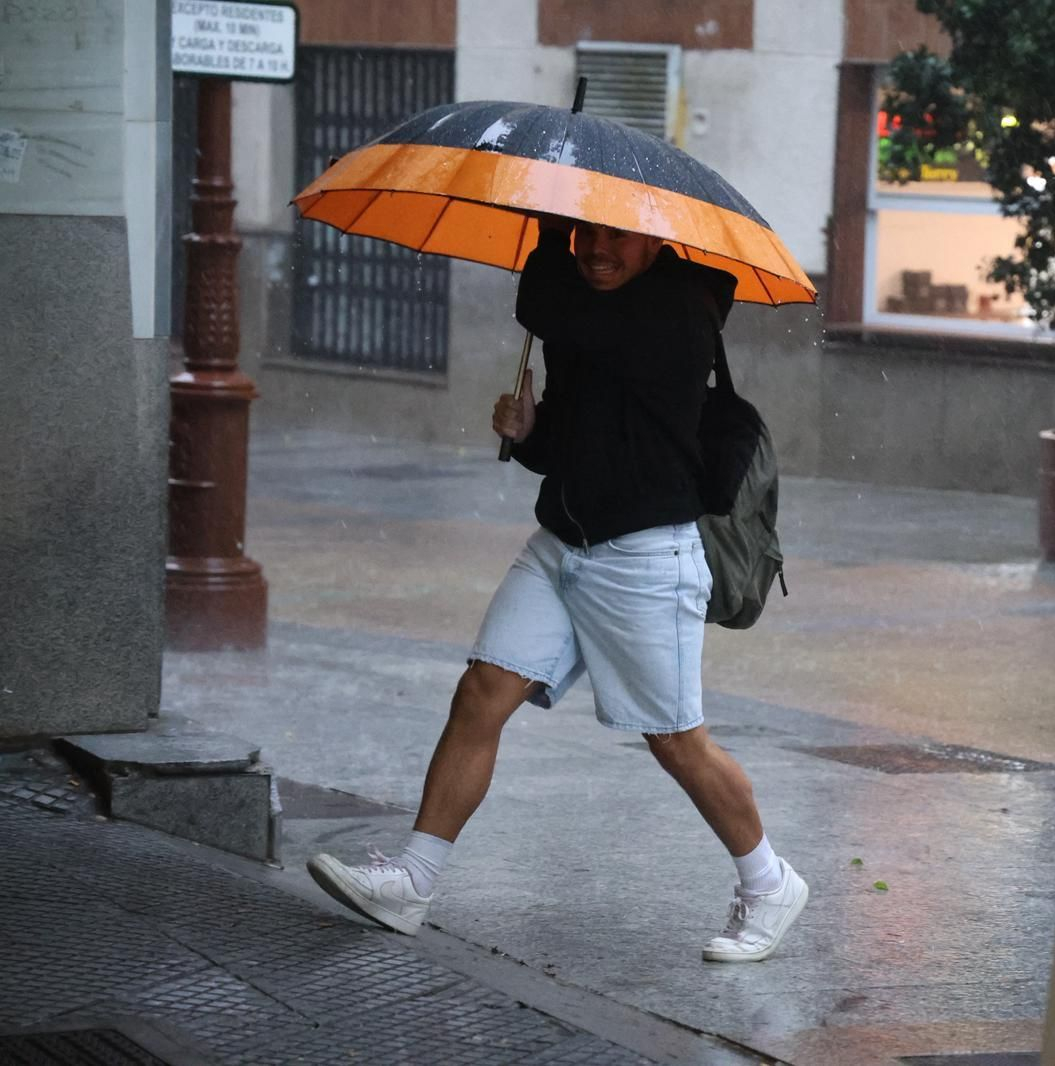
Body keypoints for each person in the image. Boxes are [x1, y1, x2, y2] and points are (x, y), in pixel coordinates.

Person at [307, 214, 808, 963]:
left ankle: (770, 884)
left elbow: (548, 308)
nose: (596, 251)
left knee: (675, 741)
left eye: (614, 239)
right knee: (481, 691)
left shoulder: (680, 308)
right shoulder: (585, 307)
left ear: (654, 244)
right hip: (561, 545)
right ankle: (414, 878)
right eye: (582, 237)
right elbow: (576, 434)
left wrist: (543, 236)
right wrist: (533, 429)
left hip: (643, 556)